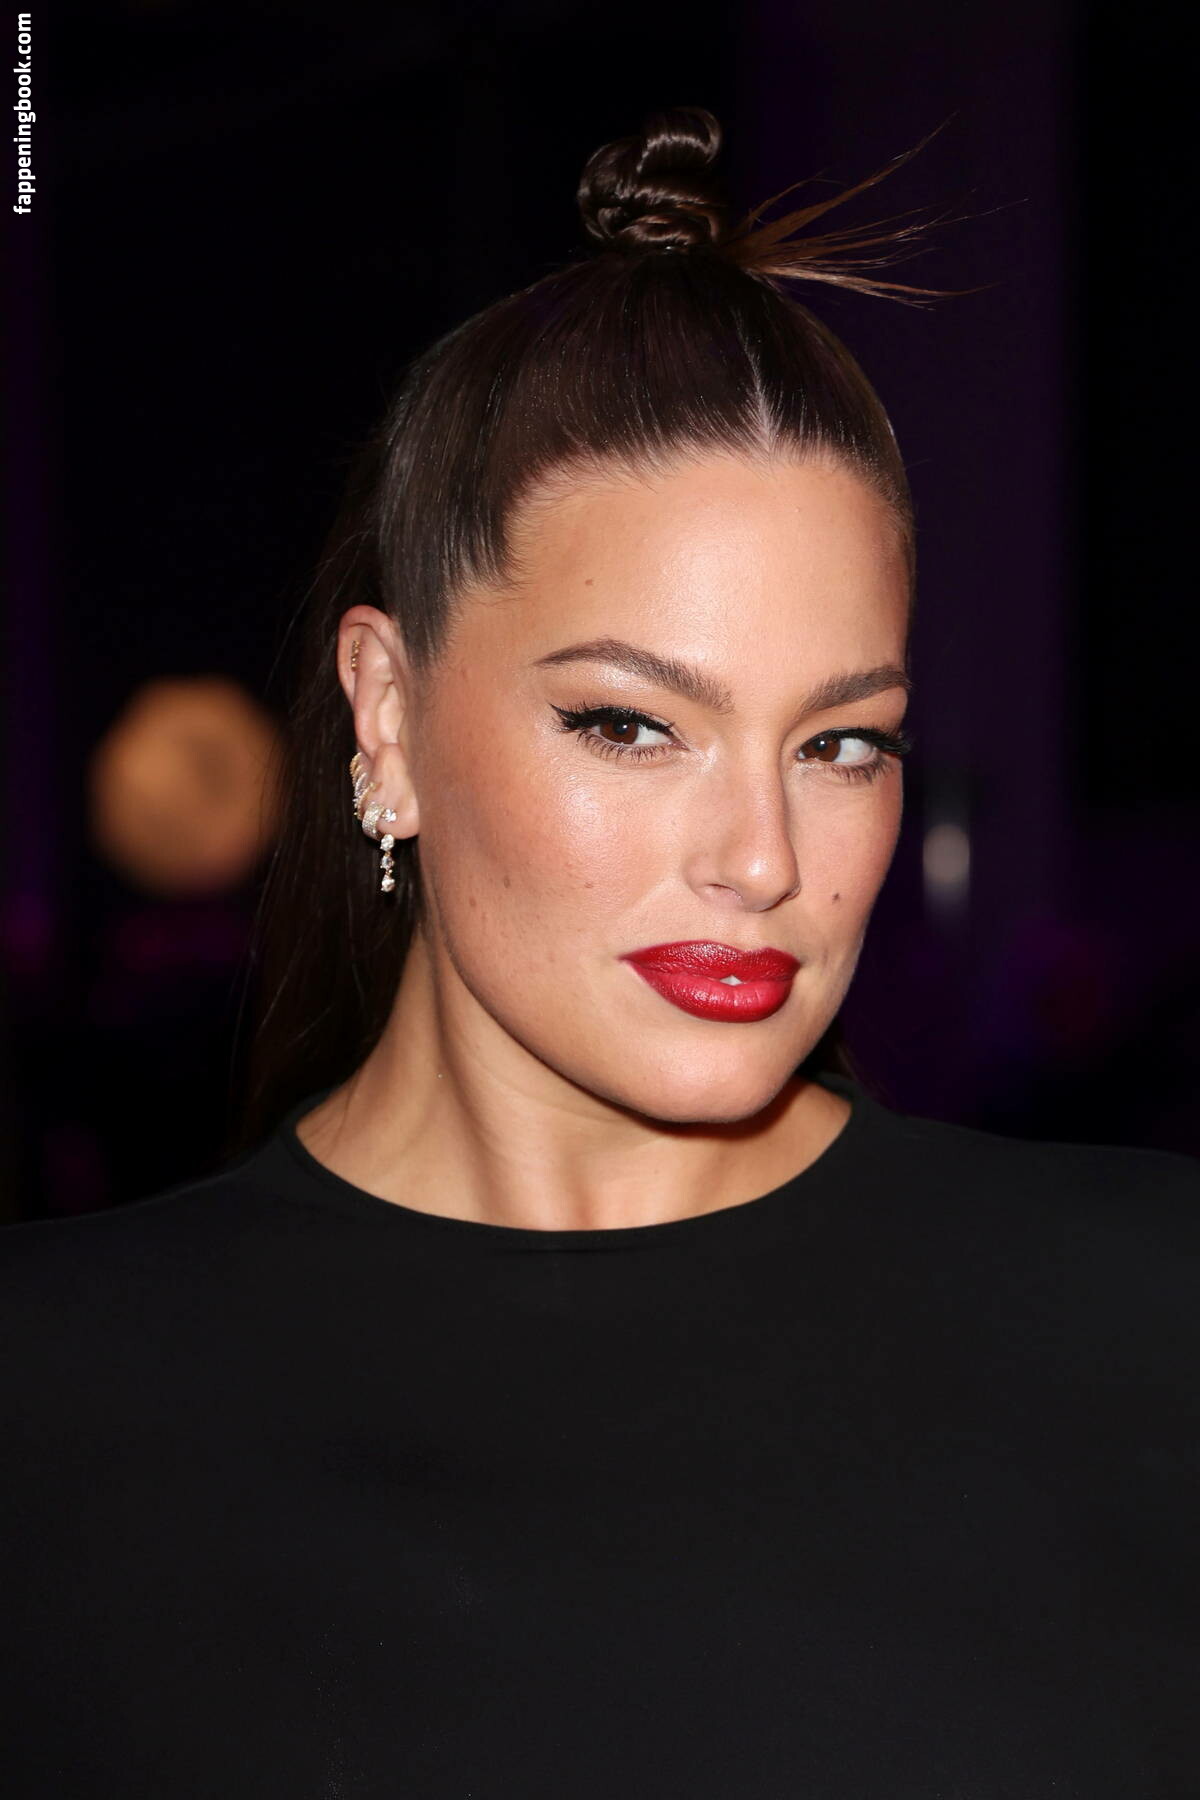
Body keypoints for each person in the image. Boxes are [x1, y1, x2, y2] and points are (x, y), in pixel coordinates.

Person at [3, 107, 1198, 1798]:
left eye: (841, 743)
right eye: (632, 724)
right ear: (387, 715)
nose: (763, 859)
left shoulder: (1151, 1322)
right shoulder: (53, 1407)